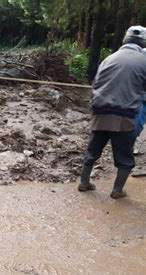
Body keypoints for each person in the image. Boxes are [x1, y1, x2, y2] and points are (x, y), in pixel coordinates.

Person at [78, 25, 146, 199]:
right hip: (125, 116)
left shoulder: (109, 58)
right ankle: (117, 190)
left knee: (93, 150)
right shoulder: (143, 60)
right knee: (125, 156)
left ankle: (84, 182)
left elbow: (96, 84)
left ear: (125, 40)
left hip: (100, 114)